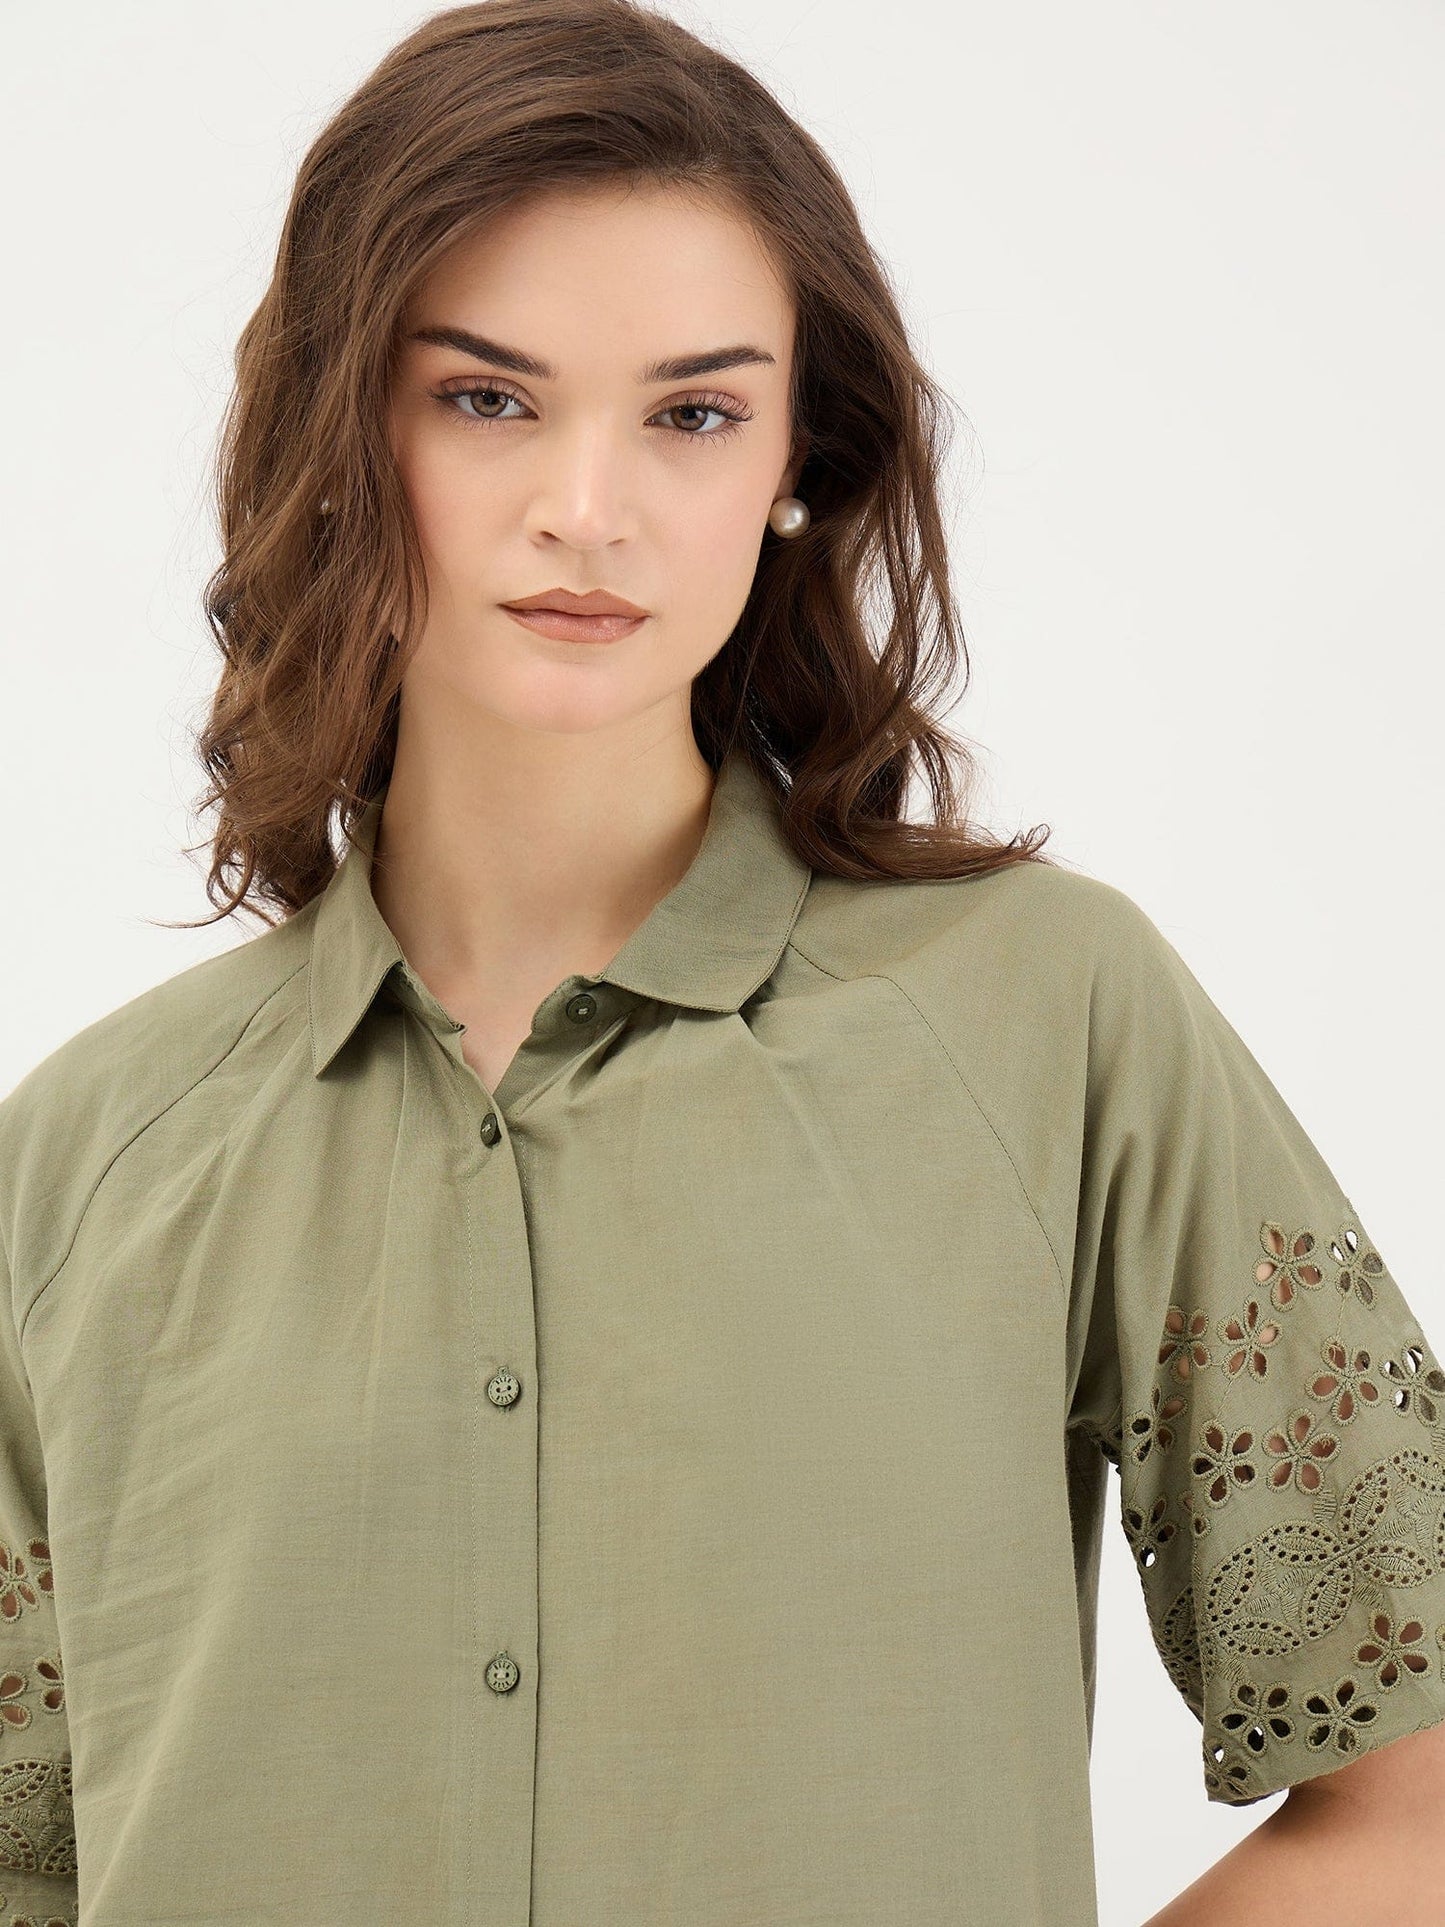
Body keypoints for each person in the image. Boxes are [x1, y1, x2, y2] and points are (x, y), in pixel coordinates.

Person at [2, 2, 1442, 1922]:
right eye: (486, 398)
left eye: (691, 414)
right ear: (340, 428)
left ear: (794, 464)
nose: (585, 509)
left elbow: (1412, 1793)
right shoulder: (81, 1161)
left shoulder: (1050, 1020)